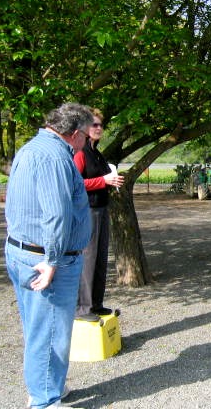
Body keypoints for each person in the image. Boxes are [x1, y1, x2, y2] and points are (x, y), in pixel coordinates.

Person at [5, 103, 93, 408]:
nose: (89, 141)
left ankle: (45, 386)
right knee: (51, 331)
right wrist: (53, 260)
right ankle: (44, 400)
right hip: (47, 259)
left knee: (38, 327)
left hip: (23, 251)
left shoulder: (32, 148)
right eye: (87, 134)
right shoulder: (55, 157)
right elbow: (56, 215)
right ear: (74, 133)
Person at [73, 109, 124, 322]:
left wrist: (111, 181)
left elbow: (103, 178)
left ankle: (96, 304)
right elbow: (74, 184)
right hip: (88, 211)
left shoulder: (97, 153)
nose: (98, 128)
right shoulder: (80, 153)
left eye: (101, 125)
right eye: (94, 125)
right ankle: (82, 309)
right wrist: (103, 182)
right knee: (88, 259)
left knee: (101, 259)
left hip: (102, 209)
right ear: (84, 128)